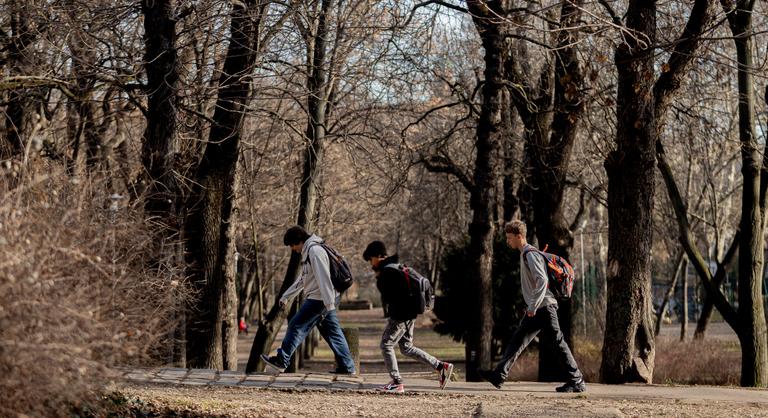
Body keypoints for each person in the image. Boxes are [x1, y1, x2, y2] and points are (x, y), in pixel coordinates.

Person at [478, 220, 586, 393]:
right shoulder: (525, 254)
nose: (508, 241)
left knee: (558, 343)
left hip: (544, 307)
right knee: (518, 340)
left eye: (510, 238)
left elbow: (542, 280)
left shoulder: (530, 254)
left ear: (519, 236)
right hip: (538, 307)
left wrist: (533, 306)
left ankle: (577, 380)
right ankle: (499, 375)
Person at [261, 226, 356, 374]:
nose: (293, 249)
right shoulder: (311, 252)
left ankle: (282, 360)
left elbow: (324, 279)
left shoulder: (314, 252)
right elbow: (303, 280)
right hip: (324, 299)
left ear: (299, 241)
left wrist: (329, 304)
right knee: (333, 333)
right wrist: (287, 295)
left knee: (295, 326)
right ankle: (348, 366)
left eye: (292, 245)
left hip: (319, 300)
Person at [363, 240, 454, 393]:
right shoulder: (397, 267)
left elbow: (389, 297)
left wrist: (379, 278)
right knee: (406, 347)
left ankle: (397, 382)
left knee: (386, 345)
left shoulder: (387, 272)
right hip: (409, 314)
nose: (370, 263)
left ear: (378, 256)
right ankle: (440, 366)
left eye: (371, 259)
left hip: (401, 315)